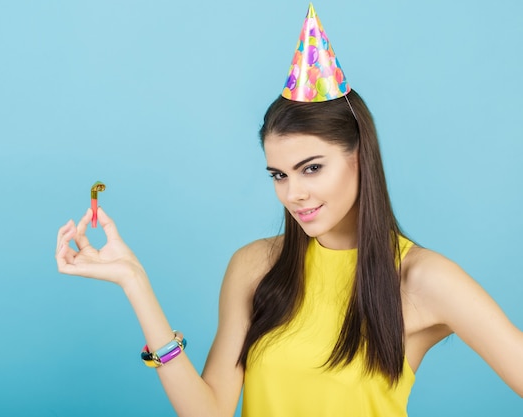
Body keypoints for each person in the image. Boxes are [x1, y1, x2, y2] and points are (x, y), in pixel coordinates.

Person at [55, 4, 523, 416]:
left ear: (360, 157)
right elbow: (210, 411)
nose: (293, 193)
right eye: (279, 175)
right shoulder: (256, 266)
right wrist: (134, 282)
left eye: (311, 168)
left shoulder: (421, 278)